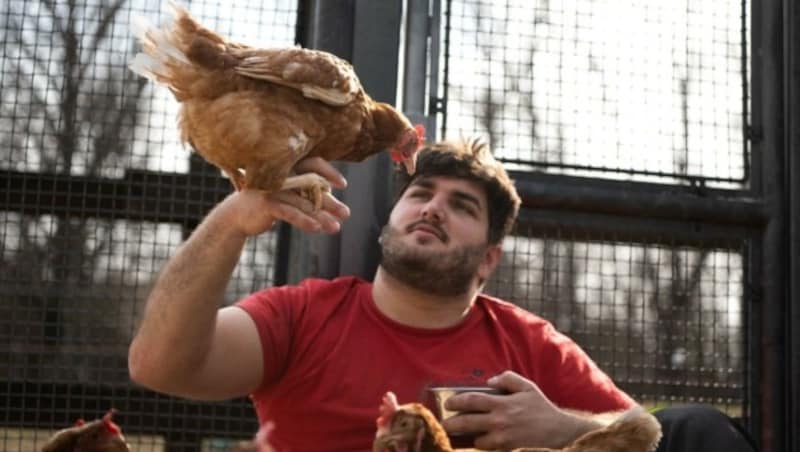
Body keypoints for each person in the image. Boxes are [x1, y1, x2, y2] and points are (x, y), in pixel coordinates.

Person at [128, 139, 757, 451]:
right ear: (391, 218)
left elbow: (639, 433)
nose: (432, 209)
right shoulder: (304, 314)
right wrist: (234, 218)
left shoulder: (526, 344)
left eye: (461, 206)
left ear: (488, 259)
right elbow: (158, 364)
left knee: (698, 432)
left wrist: (560, 427)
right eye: (420, 193)